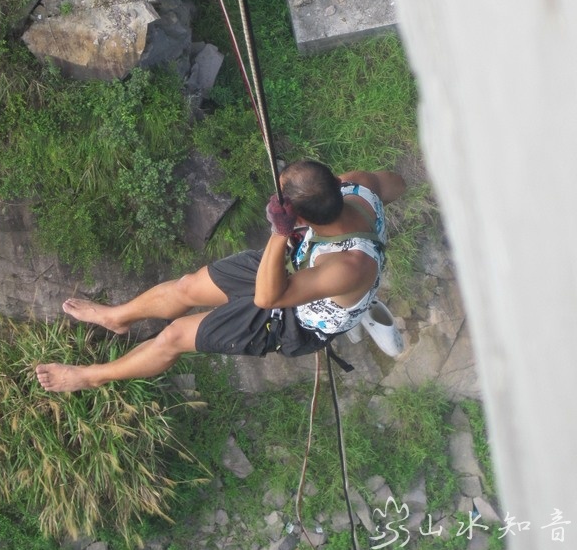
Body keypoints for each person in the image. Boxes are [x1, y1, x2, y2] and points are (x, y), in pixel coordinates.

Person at [35, 160, 406, 393]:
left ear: (302, 218)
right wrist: (298, 230)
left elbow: (268, 299)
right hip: (298, 263)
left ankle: (92, 376)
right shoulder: (357, 185)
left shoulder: (348, 267)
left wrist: (280, 232)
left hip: (299, 319)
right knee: (187, 286)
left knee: (174, 336)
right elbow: (397, 183)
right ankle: (118, 317)